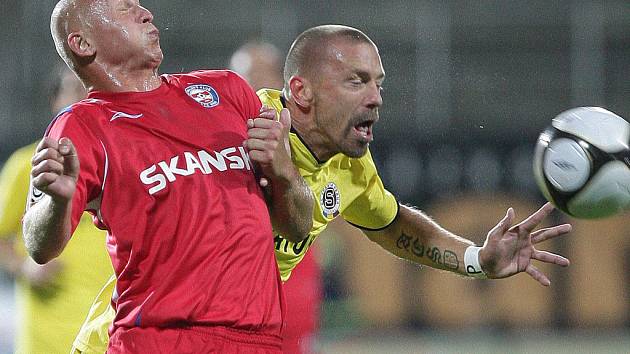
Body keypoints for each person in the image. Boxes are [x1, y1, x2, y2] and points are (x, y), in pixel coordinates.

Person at [73, 24, 573, 353]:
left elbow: (392, 223)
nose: (376, 99)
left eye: (380, 83)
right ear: (300, 92)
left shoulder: (350, 167)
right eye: (357, 81)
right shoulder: (230, 123)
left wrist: (474, 260)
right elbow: (146, 125)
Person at [23, 1, 313, 353]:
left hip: (259, 341)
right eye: (123, 8)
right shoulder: (82, 126)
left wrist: (284, 172)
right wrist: (56, 200)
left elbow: (298, 227)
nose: (144, 12)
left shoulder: (228, 92)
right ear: (83, 44)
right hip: (161, 340)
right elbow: (38, 246)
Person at [0, 65, 113, 354]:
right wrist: (24, 267)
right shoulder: (27, 165)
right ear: (55, 102)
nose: (84, 101)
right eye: (75, 90)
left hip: (108, 338)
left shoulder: (120, 165)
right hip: (47, 342)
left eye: (91, 92)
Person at [231, 41, 323, 354]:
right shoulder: (217, 142)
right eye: (245, 77)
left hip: (291, 299)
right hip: (235, 303)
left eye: (261, 75)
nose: (253, 85)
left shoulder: (307, 137)